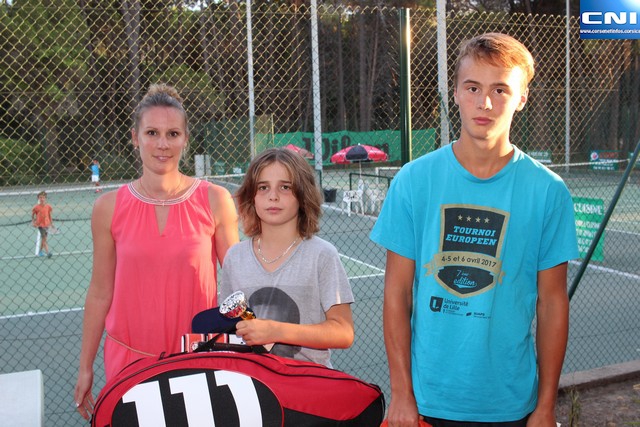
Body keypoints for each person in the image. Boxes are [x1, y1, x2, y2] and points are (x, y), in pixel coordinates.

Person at [370, 33, 579, 427]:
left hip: (512, 404)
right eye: (473, 88)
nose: (484, 103)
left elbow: (552, 303)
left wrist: (546, 406)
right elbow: (397, 294)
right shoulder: (413, 181)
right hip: (428, 401)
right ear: (455, 93)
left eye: (500, 89)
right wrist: (402, 393)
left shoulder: (549, 191)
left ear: (521, 98)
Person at [74, 83, 239, 420]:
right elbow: (100, 292)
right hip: (128, 364)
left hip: (198, 359)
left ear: (185, 139)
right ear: (135, 138)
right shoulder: (108, 207)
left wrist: (262, 339)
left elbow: (240, 282)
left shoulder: (215, 200)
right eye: (152, 133)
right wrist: (85, 367)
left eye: (172, 134)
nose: (162, 144)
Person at [219, 147, 354, 368]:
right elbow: (227, 326)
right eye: (263, 187)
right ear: (252, 196)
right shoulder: (235, 257)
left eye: (285, 187)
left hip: (308, 382)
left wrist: (276, 331)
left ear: (302, 194)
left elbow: (343, 332)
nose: (273, 196)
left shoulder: (322, 255)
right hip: (252, 382)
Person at [31, 191, 53, 258]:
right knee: (44, 238)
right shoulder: (36, 207)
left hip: (47, 224)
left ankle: (40, 251)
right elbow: (33, 215)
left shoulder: (48, 206)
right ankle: (48, 252)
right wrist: (33, 222)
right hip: (40, 225)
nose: (42, 199)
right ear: (38, 198)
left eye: (43, 197)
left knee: (44, 239)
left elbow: (49, 215)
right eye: (40, 197)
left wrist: (51, 223)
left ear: (45, 198)